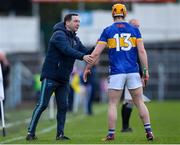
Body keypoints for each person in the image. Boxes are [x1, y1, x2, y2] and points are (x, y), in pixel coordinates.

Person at [83, 4, 154, 141]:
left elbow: (96, 52)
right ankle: (149, 131)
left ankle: (111, 134)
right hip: (133, 71)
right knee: (139, 102)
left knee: (112, 104)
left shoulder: (107, 31)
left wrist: (87, 68)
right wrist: (145, 71)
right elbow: (141, 51)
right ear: (125, 14)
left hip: (116, 73)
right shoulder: (134, 30)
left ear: (112, 14)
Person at [26, 13, 94, 141]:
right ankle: (30, 133)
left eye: (79, 21)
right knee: (42, 105)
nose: (78, 24)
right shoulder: (58, 35)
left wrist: (99, 45)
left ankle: (60, 135)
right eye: (75, 21)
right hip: (51, 76)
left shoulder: (75, 39)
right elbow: (66, 50)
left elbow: (86, 52)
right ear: (67, 23)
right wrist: (82, 57)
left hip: (63, 79)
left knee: (63, 106)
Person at [120, 19, 151, 133]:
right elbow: (140, 55)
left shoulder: (129, 37)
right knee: (131, 100)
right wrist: (144, 72)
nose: (137, 28)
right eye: (135, 25)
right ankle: (125, 127)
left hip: (127, 72)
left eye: (138, 26)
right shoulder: (133, 38)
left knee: (129, 101)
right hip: (130, 72)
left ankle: (125, 126)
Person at [0, 51, 10, 120]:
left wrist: (6, 63)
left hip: (3, 86)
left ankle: (1, 115)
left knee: (3, 100)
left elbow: (6, 72)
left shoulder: (3, 64)